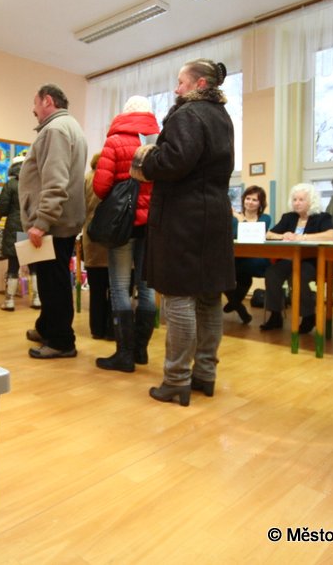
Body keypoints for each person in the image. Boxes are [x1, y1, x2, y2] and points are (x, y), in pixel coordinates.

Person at [131, 58, 235, 406]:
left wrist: (146, 159)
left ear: (200, 84)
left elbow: (175, 161)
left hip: (183, 219)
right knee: (209, 298)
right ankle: (204, 374)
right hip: (214, 216)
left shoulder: (188, 114)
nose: (176, 89)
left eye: (180, 82)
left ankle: (176, 379)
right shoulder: (222, 116)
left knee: (178, 297)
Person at [92, 95, 161, 372]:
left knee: (120, 287)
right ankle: (141, 351)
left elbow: (100, 186)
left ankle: (124, 354)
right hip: (152, 224)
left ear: (125, 114)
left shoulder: (116, 141)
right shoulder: (159, 141)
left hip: (123, 224)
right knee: (147, 288)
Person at [19, 84, 88, 359]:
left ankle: (61, 341)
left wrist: (42, 221)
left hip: (53, 223)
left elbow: (55, 180)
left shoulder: (55, 129)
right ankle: (47, 326)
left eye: (35, 103)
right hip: (62, 220)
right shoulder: (70, 126)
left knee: (53, 282)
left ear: (47, 100)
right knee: (51, 280)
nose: (33, 110)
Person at [260, 183, 333, 333]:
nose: (297, 203)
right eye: (294, 199)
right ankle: (275, 315)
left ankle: (308, 316)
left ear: (311, 201)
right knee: (272, 273)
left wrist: (304, 237)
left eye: (301, 199)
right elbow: (269, 234)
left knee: (298, 276)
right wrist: (283, 235)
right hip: (290, 259)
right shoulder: (288, 217)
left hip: (313, 261)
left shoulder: (322, 217)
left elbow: (331, 235)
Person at [0, 153, 40, 311]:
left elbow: (2, 208)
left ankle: (9, 301)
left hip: (14, 227)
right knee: (34, 265)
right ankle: (36, 299)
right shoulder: (36, 183)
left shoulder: (11, 185)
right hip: (33, 227)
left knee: (13, 265)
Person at [223, 185, 272, 324]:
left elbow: (253, 234)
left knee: (242, 275)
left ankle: (234, 304)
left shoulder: (265, 218)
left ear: (260, 203)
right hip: (236, 258)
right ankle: (239, 307)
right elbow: (232, 237)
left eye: (254, 200)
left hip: (255, 260)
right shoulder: (232, 218)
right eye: (248, 198)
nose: (250, 202)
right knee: (224, 275)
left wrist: (240, 219)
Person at [82, 152, 113, 340]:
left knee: (96, 291)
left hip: (92, 240)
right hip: (115, 241)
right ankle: (112, 329)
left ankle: (97, 329)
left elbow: (81, 209)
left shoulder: (87, 179)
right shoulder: (116, 179)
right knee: (116, 290)